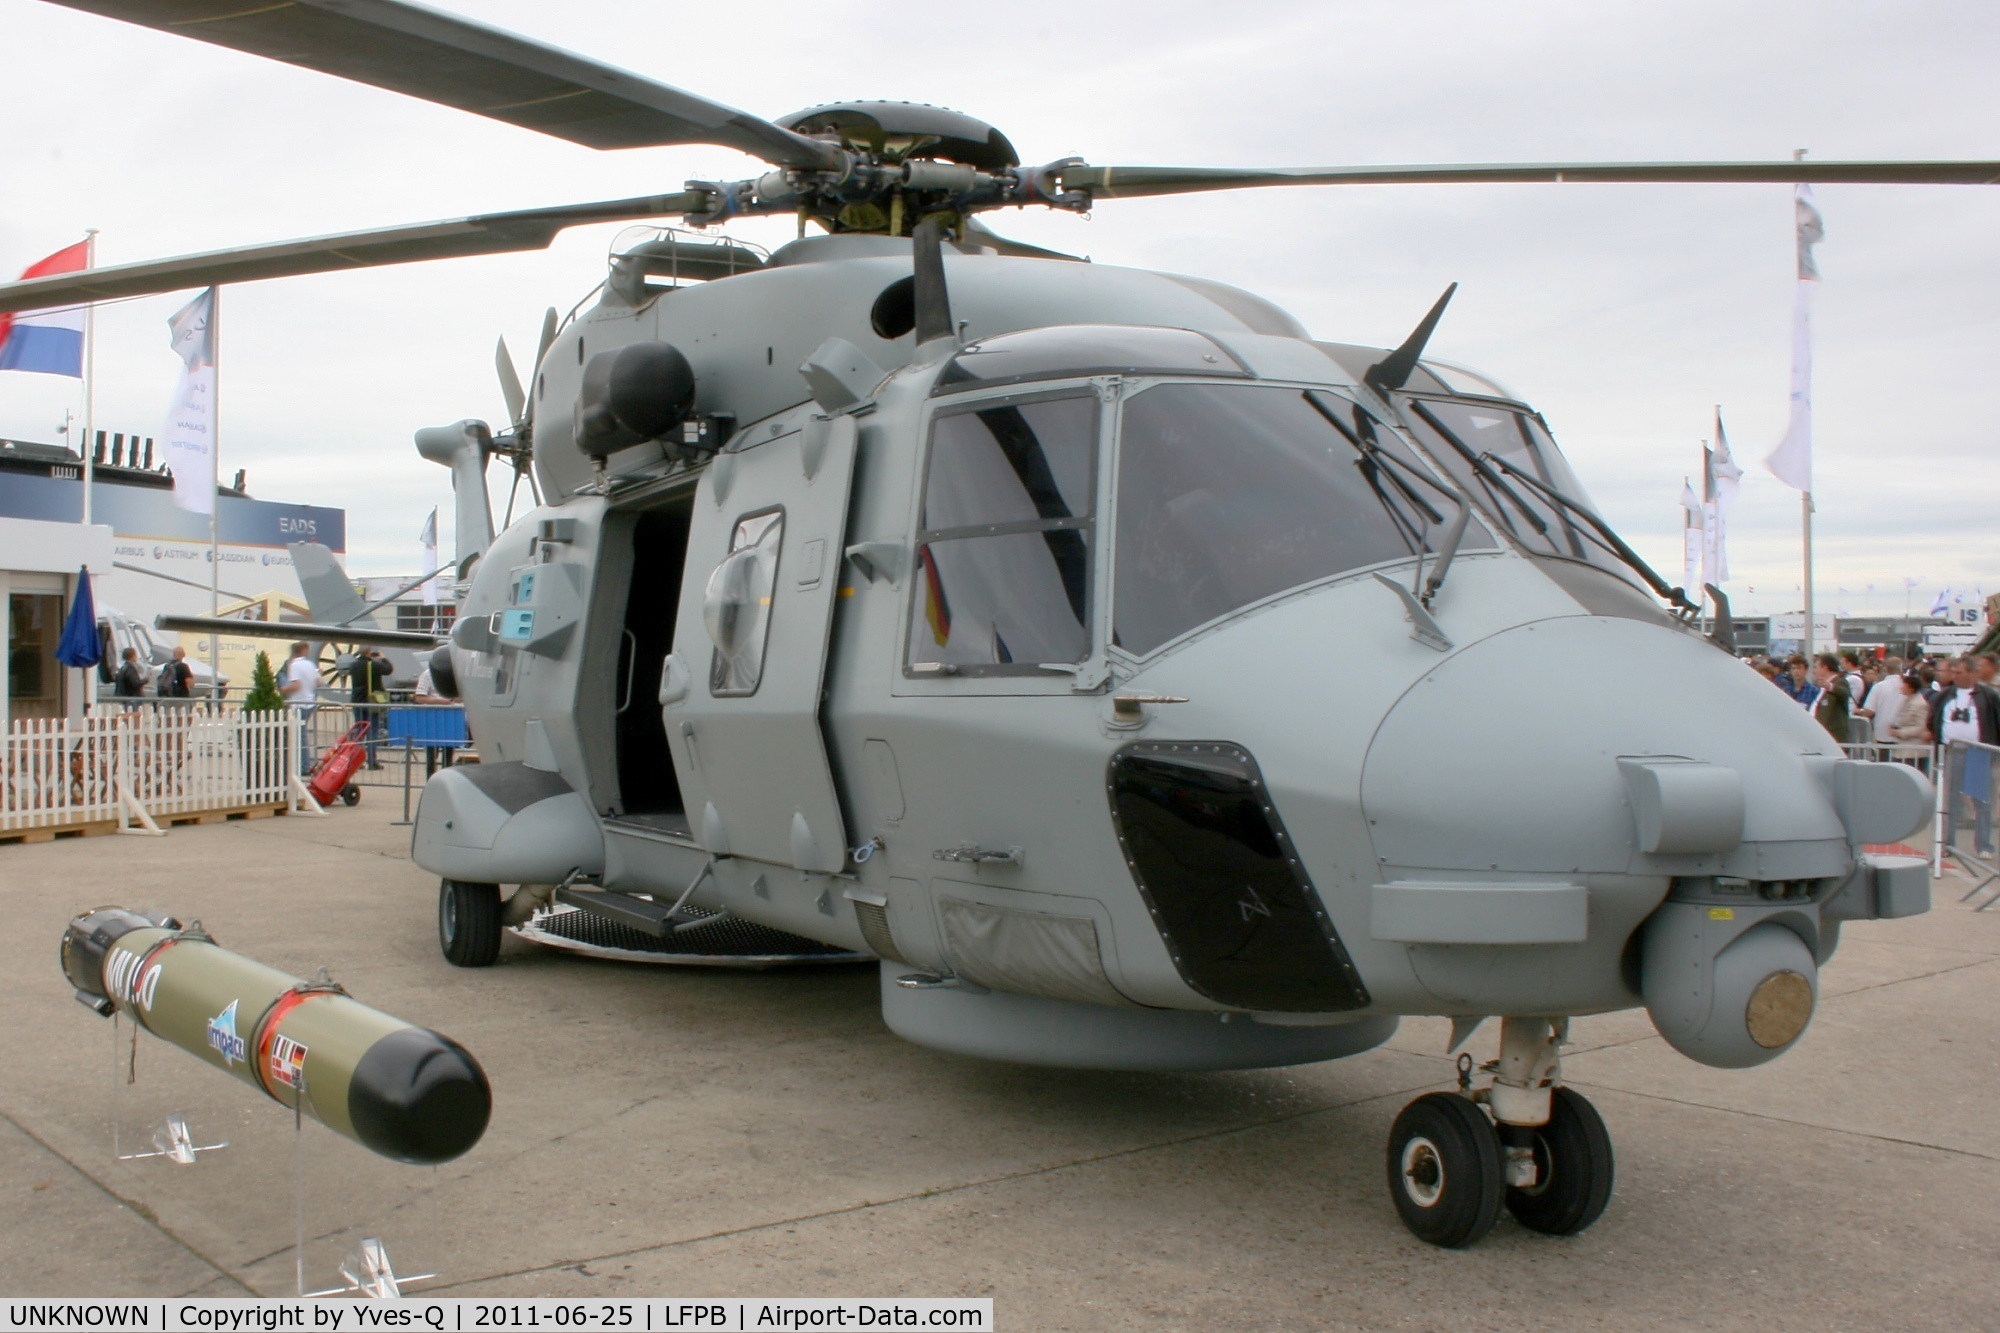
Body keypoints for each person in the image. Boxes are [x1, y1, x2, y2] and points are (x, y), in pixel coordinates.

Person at [1928, 656, 2000, 858]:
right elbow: (1933, 719)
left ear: (1972, 673)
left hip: (1978, 752)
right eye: (1953, 672)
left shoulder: (1987, 695)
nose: (1955, 676)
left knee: (1981, 801)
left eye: (1959, 673)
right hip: (1953, 752)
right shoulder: (1944, 696)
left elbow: (1996, 719)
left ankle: (1984, 845)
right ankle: (1947, 843)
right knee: (1950, 800)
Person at [280, 641, 321, 774]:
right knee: (301, 734)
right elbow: (318, 682)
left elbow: (296, 685)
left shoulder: (294, 665)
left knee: (300, 736)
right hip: (310, 701)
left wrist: (283, 689)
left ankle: (303, 765)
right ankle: (303, 764)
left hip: (299, 702)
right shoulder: (310, 664)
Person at [350, 648, 388, 770]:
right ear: (368, 653)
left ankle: (355, 760)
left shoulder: (353, 665)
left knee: (360, 730)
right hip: (371, 701)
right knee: (372, 730)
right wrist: (383, 658)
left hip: (357, 701)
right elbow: (388, 669)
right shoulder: (374, 665)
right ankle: (372, 760)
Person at [1809, 654, 1850, 743]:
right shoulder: (1820, 687)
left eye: (1816, 667)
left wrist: (1830, 686)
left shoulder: (1840, 681)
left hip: (1834, 737)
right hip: (1821, 736)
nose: (1814, 671)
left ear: (1825, 668)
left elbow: (1844, 693)